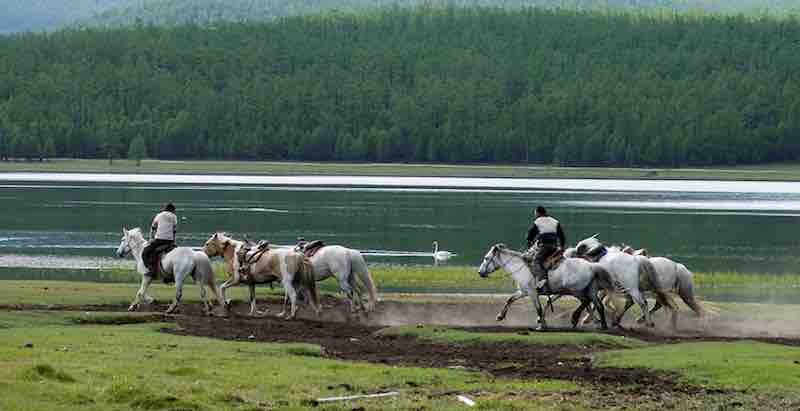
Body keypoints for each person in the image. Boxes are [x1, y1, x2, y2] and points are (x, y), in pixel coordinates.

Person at [523, 206, 566, 277]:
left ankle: (542, 278)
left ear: (538, 213)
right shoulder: (555, 221)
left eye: (535, 213)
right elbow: (562, 237)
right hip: (555, 246)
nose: (535, 215)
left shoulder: (537, 222)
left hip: (544, 247)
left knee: (536, 261)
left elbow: (529, 237)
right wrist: (562, 247)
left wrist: (529, 245)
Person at [141, 202, 178, 278]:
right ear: (172, 210)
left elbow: (153, 227)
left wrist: (151, 238)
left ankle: (151, 270)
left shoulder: (159, 215)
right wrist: (173, 242)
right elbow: (174, 230)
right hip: (170, 241)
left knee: (145, 252)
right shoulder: (174, 217)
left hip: (159, 240)